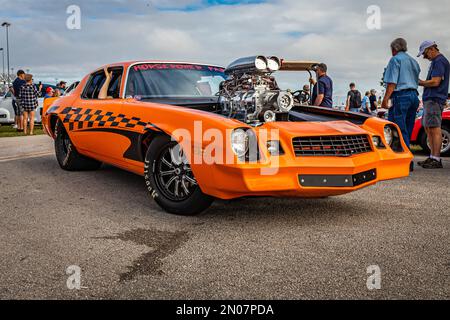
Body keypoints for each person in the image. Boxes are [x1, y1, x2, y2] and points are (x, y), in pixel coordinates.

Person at [381, 38, 420, 149]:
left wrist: (385, 100)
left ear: (394, 49)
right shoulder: (414, 61)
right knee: (408, 128)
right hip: (414, 96)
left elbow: (392, 83)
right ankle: (407, 155)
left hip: (401, 96)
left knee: (397, 129)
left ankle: (401, 159)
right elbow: (417, 80)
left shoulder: (395, 60)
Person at [417, 41, 449, 169]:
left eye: (425, 54)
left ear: (431, 49)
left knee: (435, 128)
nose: (425, 57)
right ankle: (432, 157)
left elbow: (435, 82)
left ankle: (436, 158)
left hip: (434, 99)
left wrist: (420, 82)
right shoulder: (436, 62)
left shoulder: (439, 61)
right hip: (431, 99)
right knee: (429, 128)